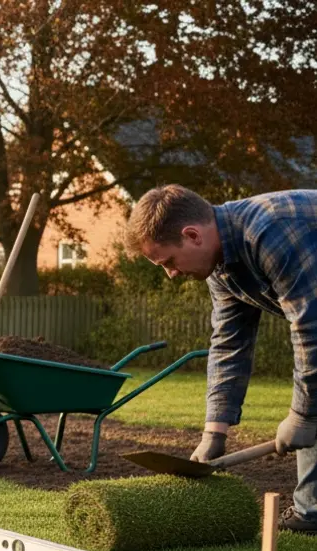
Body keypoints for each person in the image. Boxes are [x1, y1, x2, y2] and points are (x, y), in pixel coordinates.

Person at [128, 185, 317, 533]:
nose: (170, 274)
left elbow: (311, 326)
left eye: (168, 261)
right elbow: (230, 344)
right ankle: (312, 515)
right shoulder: (222, 268)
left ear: (192, 235)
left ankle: (310, 513)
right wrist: (215, 430)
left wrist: (302, 414)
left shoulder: (271, 231)